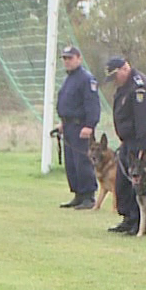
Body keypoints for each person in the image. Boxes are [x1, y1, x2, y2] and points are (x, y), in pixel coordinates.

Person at [105, 56, 146, 236]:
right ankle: (129, 218)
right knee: (124, 183)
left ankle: (141, 223)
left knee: (141, 183)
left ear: (125, 68)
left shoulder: (141, 87)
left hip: (142, 143)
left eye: (116, 76)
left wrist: (142, 149)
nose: (114, 81)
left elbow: (145, 121)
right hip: (129, 142)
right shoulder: (125, 87)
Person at [55, 45, 101, 209]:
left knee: (83, 162)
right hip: (69, 127)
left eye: (70, 58)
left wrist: (90, 125)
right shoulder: (69, 78)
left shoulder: (86, 79)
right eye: (65, 59)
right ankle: (78, 194)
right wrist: (62, 123)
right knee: (72, 163)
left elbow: (92, 105)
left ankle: (89, 196)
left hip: (81, 127)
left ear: (79, 58)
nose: (67, 62)